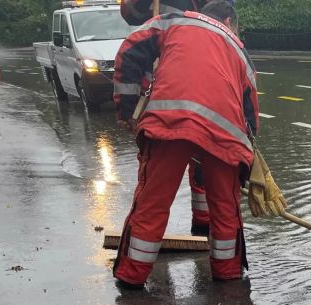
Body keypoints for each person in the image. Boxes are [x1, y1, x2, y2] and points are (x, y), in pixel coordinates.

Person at [112, 1, 284, 287]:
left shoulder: (173, 22)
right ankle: (227, 273)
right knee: (227, 208)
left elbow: (131, 49)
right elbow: (250, 109)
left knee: (152, 202)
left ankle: (131, 277)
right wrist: (247, 154)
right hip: (224, 135)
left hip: (169, 123)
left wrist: (127, 109)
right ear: (229, 21)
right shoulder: (240, 49)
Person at [121, 0, 213, 236]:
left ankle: (202, 224)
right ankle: (150, 238)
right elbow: (130, 13)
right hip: (163, 96)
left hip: (188, 91)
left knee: (198, 166)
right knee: (158, 180)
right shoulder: (155, 23)